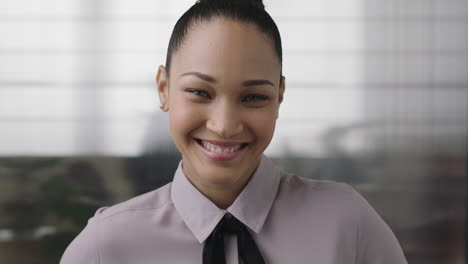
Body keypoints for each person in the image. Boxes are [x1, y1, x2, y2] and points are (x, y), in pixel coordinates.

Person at [60, 0, 408, 263]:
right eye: (199, 92)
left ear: (280, 96)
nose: (225, 125)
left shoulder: (347, 224)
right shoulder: (106, 246)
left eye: (254, 96)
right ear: (163, 88)